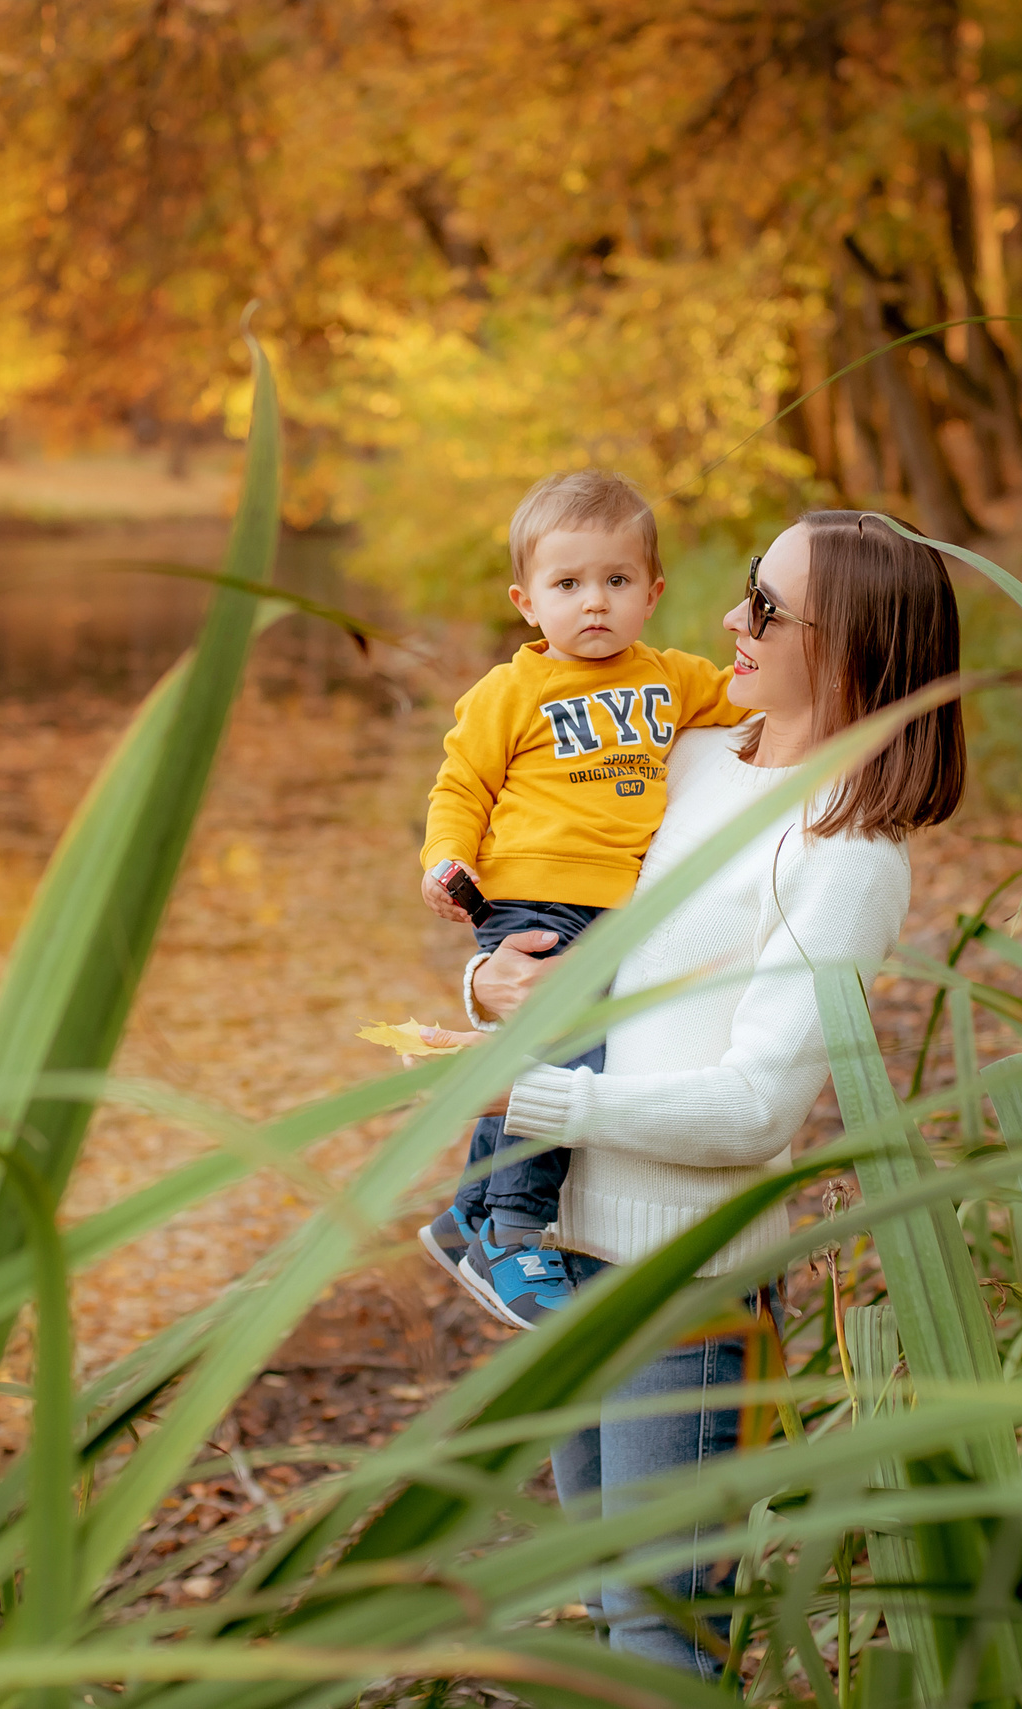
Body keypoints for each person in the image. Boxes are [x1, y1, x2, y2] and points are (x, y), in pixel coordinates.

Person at [427, 510, 965, 1678]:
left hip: (688, 1283)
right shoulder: (684, 758)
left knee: (658, 1631)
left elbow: (757, 1108)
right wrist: (483, 980)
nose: (729, 618)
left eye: (765, 607)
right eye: (743, 591)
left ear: (849, 647)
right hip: (565, 1253)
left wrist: (538, 1108)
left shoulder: (847, 852)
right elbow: (561, 932)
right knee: (601, 1596)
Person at [416, 470, 748, 1328]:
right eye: (567, 585)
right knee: (569, 1057)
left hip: (610, 912)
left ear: (653, 593)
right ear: (527, 602)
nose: (592, 603)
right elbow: (461, 785)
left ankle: (467, 1217)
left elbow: (749, 699)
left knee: (543, 1052)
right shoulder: (509, 692)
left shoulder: (671, 679)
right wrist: (444, 858)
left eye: (615, 581)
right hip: (533, 900)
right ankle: (517, 1230)